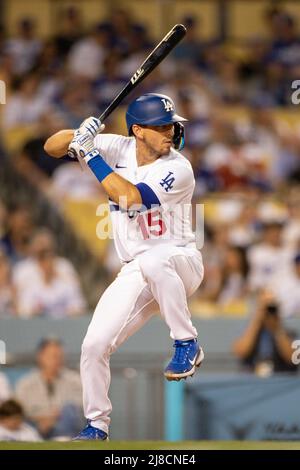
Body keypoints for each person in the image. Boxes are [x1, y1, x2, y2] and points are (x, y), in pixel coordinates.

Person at [44, 93, 205, 440]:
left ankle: (186, 341)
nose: (170, 131)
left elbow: (129, 197)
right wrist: (77, 132)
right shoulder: (116, 147)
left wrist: (88, 152)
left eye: (171, 124)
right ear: (138, 130)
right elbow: (50, 148)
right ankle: (97, 425)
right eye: (160, 126)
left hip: (180, 261)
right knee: (93, 345)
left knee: (154, 257)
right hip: (138, 269)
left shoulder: (178, 167)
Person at [15, 337, 83, 439]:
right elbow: (18, 412)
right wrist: (43, 419)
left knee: (69, 411)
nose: (57, 360)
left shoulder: (75, 380)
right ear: (40, 356)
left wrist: (55, 417)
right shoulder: (26, 384)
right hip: (35, 429)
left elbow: (81, 408)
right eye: (53, 356)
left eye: (60, 356)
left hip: (65, 428)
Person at [232, 290, 298, 376]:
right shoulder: (247, 331)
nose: (268, 311)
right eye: (265, 307)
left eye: (271, 306)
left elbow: (292, 358)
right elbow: (241, 352)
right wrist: (257, 320)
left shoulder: (287, 332)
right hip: (251, 381)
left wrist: (277, 328)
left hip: (279, 380)